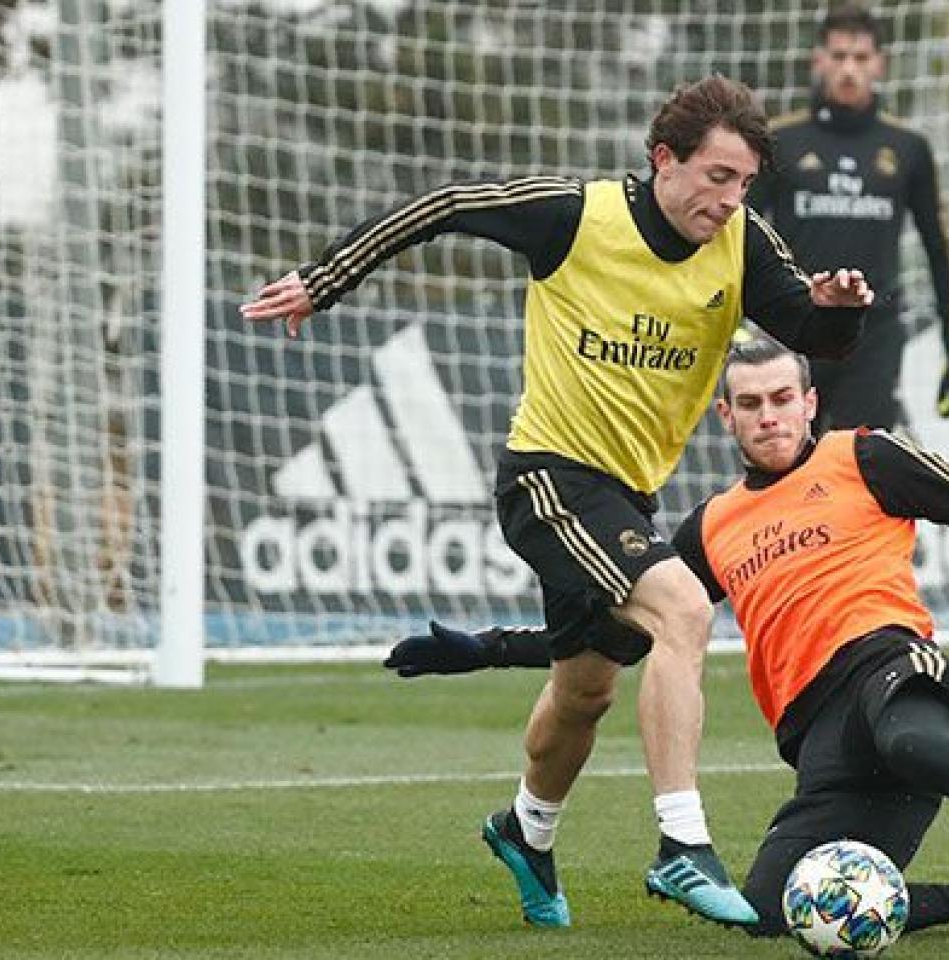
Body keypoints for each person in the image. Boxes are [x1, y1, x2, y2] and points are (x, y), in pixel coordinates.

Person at [241, 75, 873, 929]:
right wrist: (329, 278)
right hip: (547, 477)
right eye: (718, 177)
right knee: (683, 608)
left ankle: (525, 829)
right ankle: (682, 846)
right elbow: (450, 204)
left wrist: (838, 313)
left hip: (625, 498)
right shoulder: (577, 215)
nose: (731, 200)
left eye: (745, 183)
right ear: (664, 161)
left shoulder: (744, 244)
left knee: (585, 690)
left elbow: (816, 337)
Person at [384, 334, 949, 937]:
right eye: (750, 404)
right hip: (818, 735)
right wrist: (485, 650)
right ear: (725, 417)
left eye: (784, 399)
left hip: (893, 666)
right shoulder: (709, 528)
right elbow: (620, 642)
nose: (770, 416)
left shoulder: (866, 458)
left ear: (809, 402)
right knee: (768, 909)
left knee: (909, 738)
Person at [749, 4, 949, 432]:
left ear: (879, 65)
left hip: (875, 333)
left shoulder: (908, 147)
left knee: (862, 463)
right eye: (838, 57)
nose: (848, 69)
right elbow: (739, 234)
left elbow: (939, 248)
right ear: (818, 62)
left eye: (860, 58)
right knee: (789, 466)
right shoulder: (780, 141)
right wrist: (736, 322)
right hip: (796, 327)